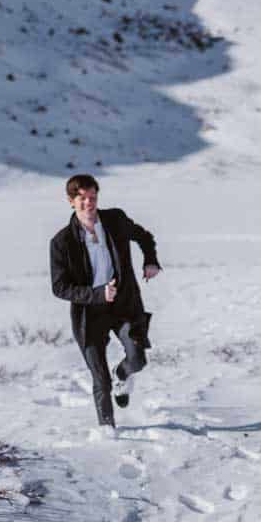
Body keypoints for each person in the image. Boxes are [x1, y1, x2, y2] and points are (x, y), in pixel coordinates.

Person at [49, 174, 160, 427]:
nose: (89, 203)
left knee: (137, 359)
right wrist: (97, 294)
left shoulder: (115, 220)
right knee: (100, 380)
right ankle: (107, 431)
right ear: (71, 201)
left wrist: (150, 260)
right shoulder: (61, 242)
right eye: (82, 198)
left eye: (93, 197)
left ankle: (122, 375)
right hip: (89, 315)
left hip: (123, 305)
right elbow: (60, 287)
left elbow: (143, 236)